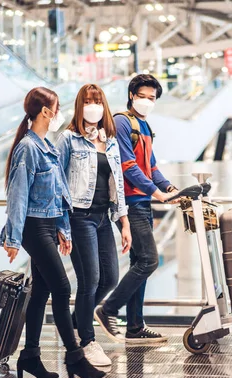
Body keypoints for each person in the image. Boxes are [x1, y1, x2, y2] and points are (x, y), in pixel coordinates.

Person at [0, 87, 105, 378]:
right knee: (62, 289)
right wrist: (13, 238)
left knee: (42, 293)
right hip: (33, 227)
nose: (59, 113)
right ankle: (75, 357)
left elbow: (59, 194)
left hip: (47, 224)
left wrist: (63, 229)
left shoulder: (47, 147)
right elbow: (17, 196)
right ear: (45, 112)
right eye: (56, 108)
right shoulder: (28, 148)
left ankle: (30, 356)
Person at [95, 74, 177, 344]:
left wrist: (168, 188)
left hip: (142, 203)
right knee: (149, 261)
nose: (146, 101)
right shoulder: (121, 122)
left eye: (152, 98)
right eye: (142, 96)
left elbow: (151, 167)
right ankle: (108, 309)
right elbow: (128, 166)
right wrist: (155, 192)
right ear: (131, 94)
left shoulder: (144, 125)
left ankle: (135, 326)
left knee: (138, 261)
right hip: (129, 203)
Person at [55, 83, 132, 367]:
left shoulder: (109, 140)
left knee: (110, 278)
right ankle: (87, 342)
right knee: (90, 282)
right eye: (87, 101)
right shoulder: (68, 139)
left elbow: (119, 185)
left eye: (97, 101)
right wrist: (61, 225)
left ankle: (80, 320)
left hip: (104, 217)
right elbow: (57, 183)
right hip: (79, 217)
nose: (93, 106)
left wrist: (123, 221)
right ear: (79, 106)